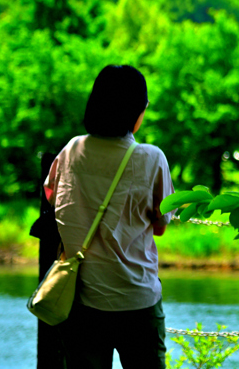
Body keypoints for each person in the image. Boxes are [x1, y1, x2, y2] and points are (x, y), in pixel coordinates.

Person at [44, 64, 175, 369]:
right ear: (137, 111)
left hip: (82, 299)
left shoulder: (72, 150)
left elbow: (52, 197)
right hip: (137, 300)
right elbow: (161, 226)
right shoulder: (152, 158)